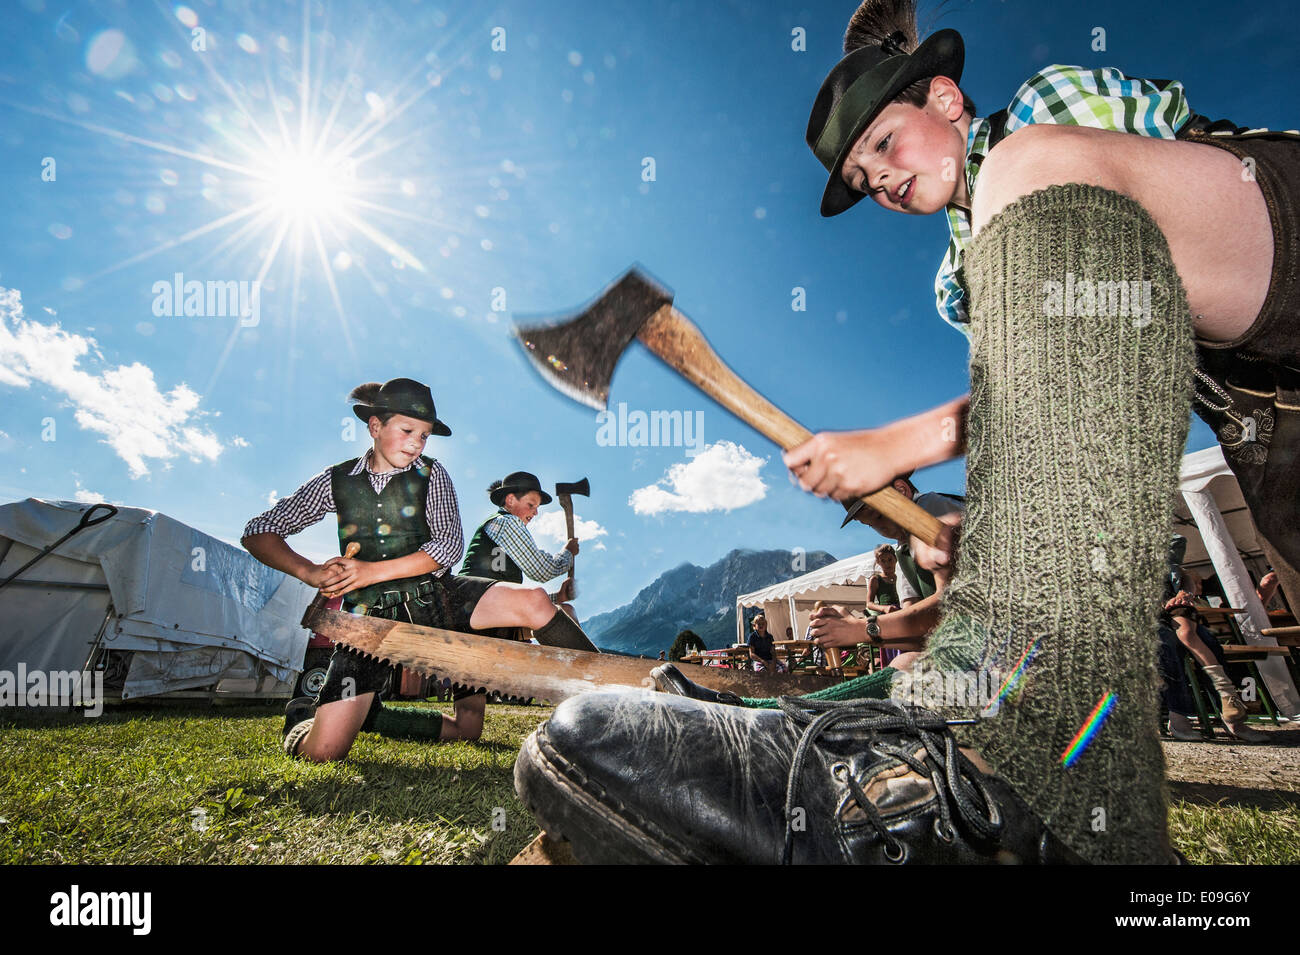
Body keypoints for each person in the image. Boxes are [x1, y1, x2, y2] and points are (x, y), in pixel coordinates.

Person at [514, 2, 1288, 863]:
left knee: (1031, 170)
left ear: (947, 100)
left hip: (1271, 248)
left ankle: (971, 779)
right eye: (861, 175)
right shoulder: (960, 279)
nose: (878, 179)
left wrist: (897, 445)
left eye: (884, 144)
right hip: (1264, 414)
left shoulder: (1045, 116)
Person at [242, 378, 595, 762]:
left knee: (534, 601)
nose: (416, 443)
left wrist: (369, 571)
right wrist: (309, 572)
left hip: (437, 597)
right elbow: (258, 532)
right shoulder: (336, 479)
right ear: (375, 426)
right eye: (407, 430)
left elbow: (447, 546)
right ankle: (310, 719)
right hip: (370, 618)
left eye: (424, 435)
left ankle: (606, 695)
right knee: (323, 752)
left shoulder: (432, 473)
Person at [461, 471, 579, 623]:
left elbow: (515, 599)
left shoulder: (505, 530)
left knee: (564, 610)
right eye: (531, 505)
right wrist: (568, 553)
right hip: (474, 602)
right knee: (567, 613)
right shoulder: (506, 522)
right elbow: (542, 571)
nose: (535, 512)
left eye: (537, 507)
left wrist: (558, 597)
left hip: (482, 605)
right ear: (510, 500)